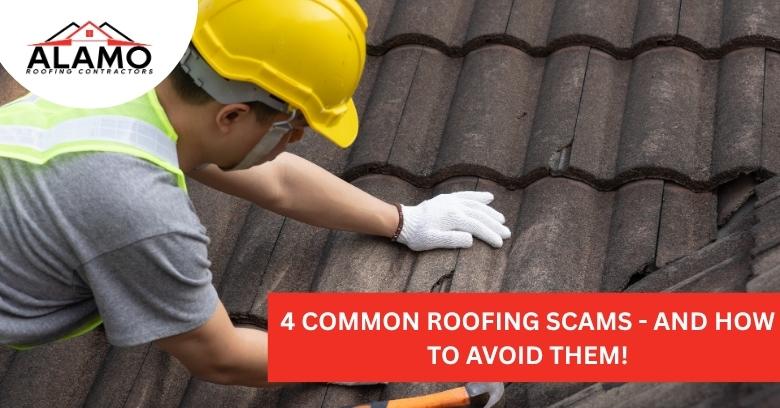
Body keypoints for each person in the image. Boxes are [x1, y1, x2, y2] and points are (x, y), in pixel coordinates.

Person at [0, 0, 511, 387]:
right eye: (292, 129)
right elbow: (220, 356)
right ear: (232, 115)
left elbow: (278, 182)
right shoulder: (138, 209)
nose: (294, 142)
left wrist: (403, 220)